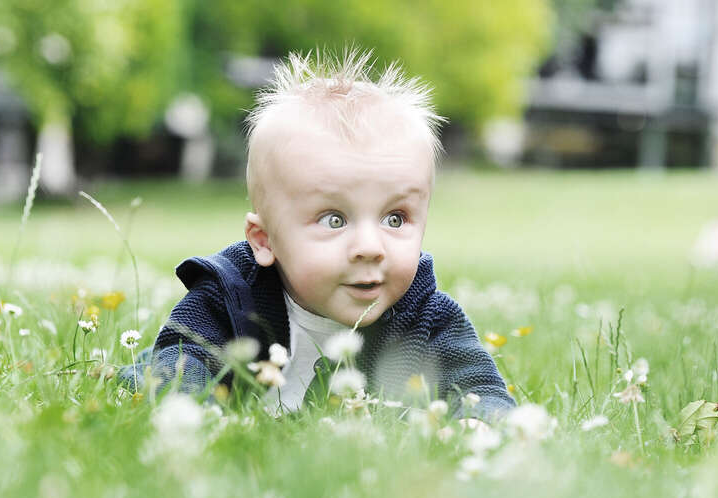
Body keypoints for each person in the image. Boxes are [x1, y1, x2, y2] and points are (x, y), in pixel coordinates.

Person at [122, 49, 514, 423]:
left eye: (395, 219)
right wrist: (196, 412)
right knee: (146, 374)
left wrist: (480, 423)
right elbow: (181, 362)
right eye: (334, 219)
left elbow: (483, 389)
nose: (369, 248)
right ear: (264, 240)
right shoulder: (230, 296)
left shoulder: (425, 316)